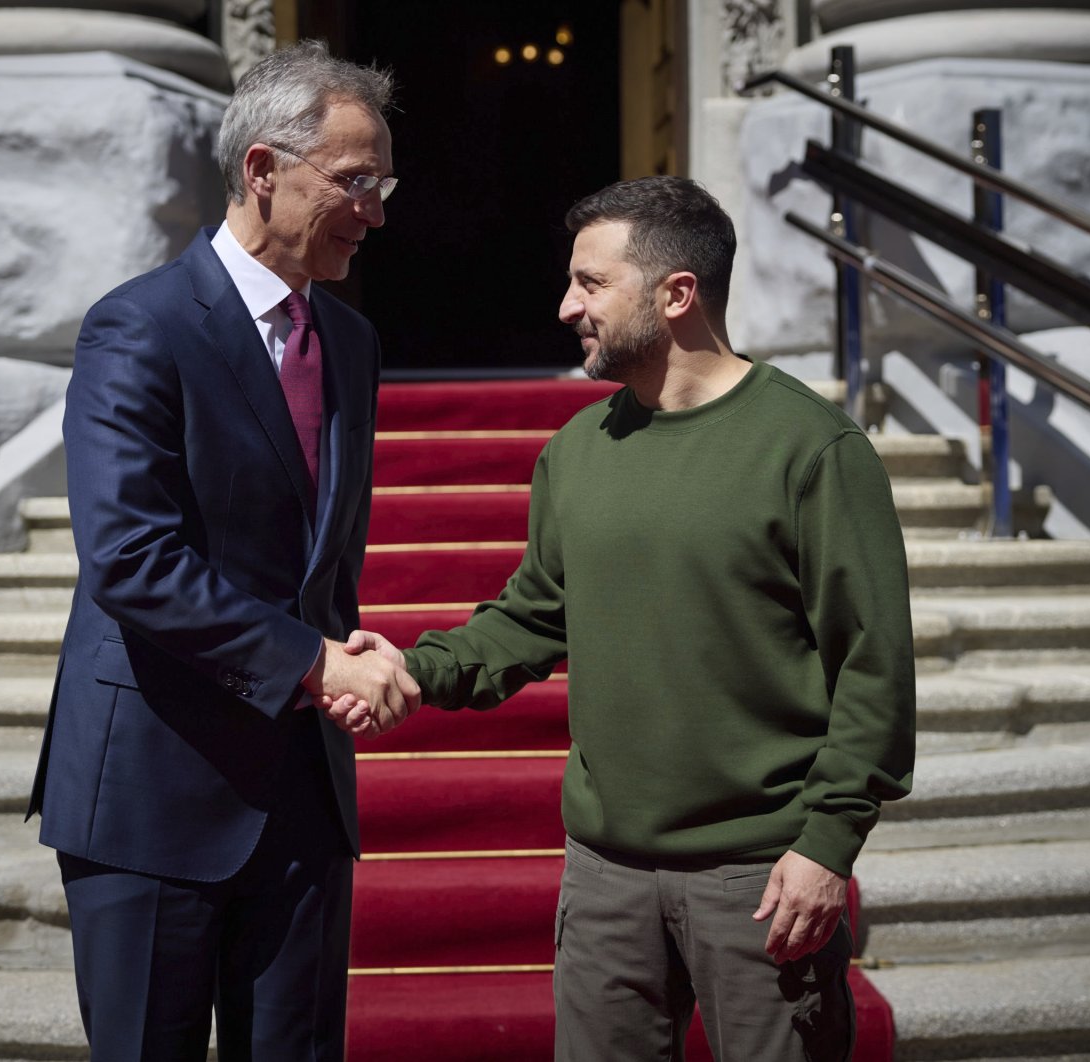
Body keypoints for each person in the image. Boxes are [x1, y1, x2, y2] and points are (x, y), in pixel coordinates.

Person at [334, 176, 915, 1061]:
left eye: (591, 283)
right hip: (606, 879)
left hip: (761, 875)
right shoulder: (577, 452)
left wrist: (829, 844)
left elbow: (874, 665)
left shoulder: (814, 451)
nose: (568, 306)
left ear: (677, 293)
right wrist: (416, 669)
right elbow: (530, 619)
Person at [25, 40, 418, 1061]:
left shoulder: (353, 343)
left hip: (301, 801)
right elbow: (130, 558)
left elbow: (316, 554)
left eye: (383, 183)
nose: (375, 210)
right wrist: (309, 661)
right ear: (262, 171)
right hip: (154, 794)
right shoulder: (139, 327)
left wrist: (348, 649)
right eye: (354, 181)